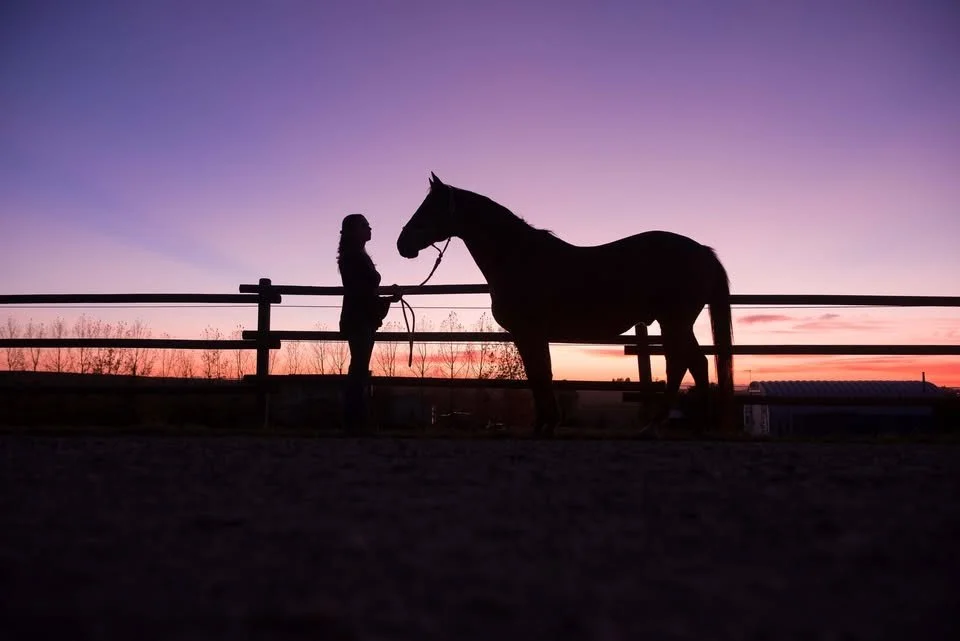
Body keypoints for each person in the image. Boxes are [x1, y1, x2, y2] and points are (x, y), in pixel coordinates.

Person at [337, 214, 400, 432]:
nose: (369, 228)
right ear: (356, 231)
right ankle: (354, 420)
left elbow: (362, 292)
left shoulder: (353, 256)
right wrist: (384, 302)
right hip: (360, 318)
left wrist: (385, 300)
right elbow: (362, 293)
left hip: (359, 317)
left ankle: (354, 420)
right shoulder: (355, 257)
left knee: (359, 367)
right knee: (359, 368)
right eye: (365, 225)